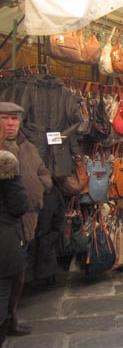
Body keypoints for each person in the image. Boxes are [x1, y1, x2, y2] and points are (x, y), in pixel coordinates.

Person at [0, 102, 52, 337]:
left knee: (17, 274)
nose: (10, 124)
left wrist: (40, 186)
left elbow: (43, 171)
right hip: (6, 222)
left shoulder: (28, 147)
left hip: (27, 218)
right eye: (5, 118)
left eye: (14, 119)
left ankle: (11, 318)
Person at [0, 121, 30, 346]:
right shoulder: (6, 162)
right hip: (6, 234)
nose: (11, 124)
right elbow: (19, 204)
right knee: (3, 288)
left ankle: (11, 321)